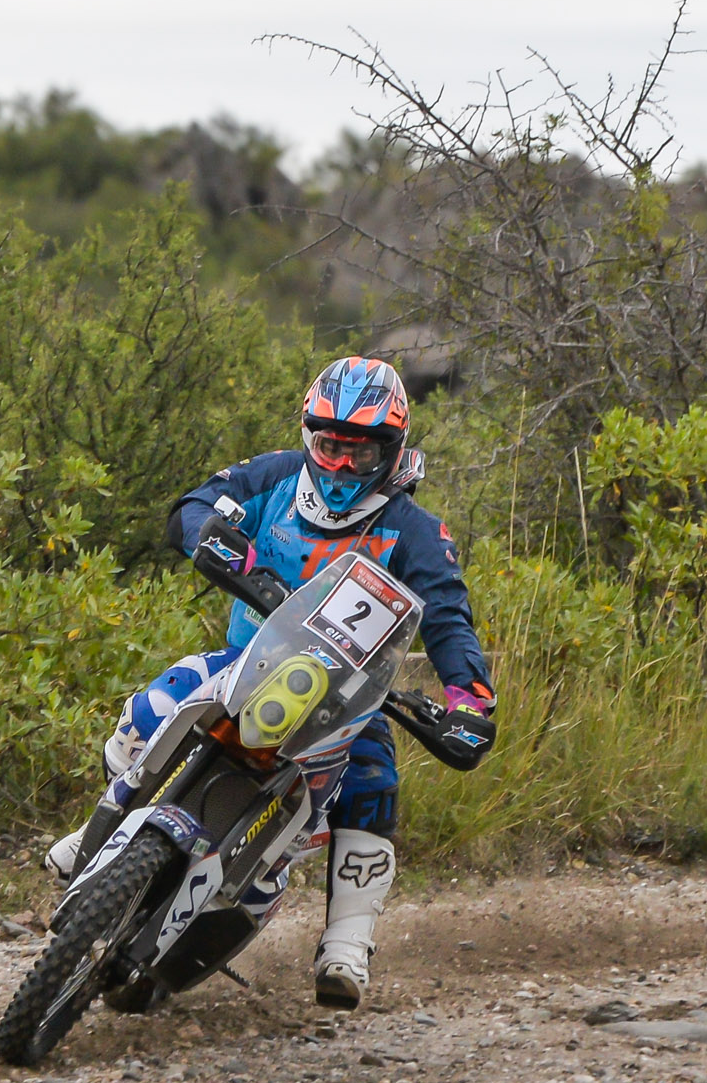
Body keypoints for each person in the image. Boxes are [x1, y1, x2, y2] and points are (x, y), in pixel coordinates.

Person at [43, 356, 493, 1011]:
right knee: (155, 703)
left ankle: (346, 942)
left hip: (345, 701)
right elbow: (194, 506)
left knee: (373, 781)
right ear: (309, 435)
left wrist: (468, 701)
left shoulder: (417, 532)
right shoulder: (273, 475)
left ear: (392, 451)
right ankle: (95, 831)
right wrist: (227, 547)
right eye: (328, 444)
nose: (339, 465)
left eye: (359, 451)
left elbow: (450, 622)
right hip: (247, 659)